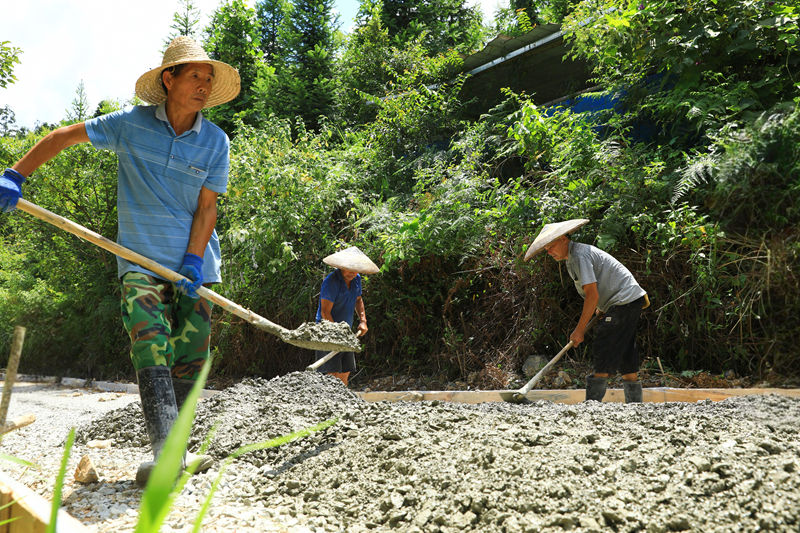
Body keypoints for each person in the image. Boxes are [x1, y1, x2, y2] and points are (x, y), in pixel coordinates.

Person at [0, 36, 240, 486]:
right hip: (139, 261)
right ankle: (166, 455)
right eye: (195, 76)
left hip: (196, 268)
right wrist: (16, 174)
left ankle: (181, 451)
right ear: (168, 79)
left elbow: (208, 208)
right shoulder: (130, 125)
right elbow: (64, 136)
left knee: (191, 358)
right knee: (151, 342)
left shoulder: (215, 142)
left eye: (209, 79)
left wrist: (192, 261)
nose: (203, 86)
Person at [524, 219, 649, 403]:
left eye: (551, 246)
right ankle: (635, 404)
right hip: (627, 301)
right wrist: (601, 309)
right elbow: (596, 291)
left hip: (624, 299)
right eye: (546, 249)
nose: (549, 252)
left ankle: (592, 403)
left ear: (564, 239)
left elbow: (592, 295)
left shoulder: (579, 255)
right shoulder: (572, 259)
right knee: (625, 349)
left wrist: (579, 330)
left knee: (604, 342)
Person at [314, 246, 379, 386]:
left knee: (345, 371)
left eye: (356, 270)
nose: (353, 273)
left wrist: (363, 321)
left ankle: (342, 403)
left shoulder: (356, 279)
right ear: (341, 267)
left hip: (345, 331)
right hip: (327, 331)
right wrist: (338, 334)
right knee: (331, 373)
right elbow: (325, 312)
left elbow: (358, 299)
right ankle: (329, 403)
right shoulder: (331, 282)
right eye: (350, 269)